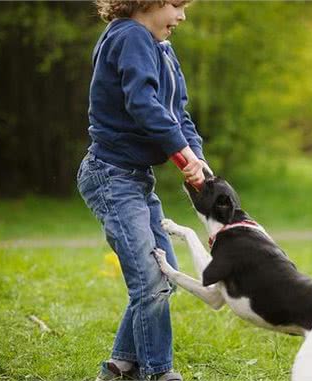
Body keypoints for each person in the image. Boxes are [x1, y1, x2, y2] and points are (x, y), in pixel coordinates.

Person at [77, 1, 209, 380]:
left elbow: (177, 114)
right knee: (150, 280)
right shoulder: (130, 36)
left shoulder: (161, 47)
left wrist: (198, 162)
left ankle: (119, 367)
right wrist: (182, 157)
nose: (182, 16)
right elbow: (143, 104)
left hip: (136, 177)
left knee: (163, 275)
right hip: (112, 175)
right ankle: (158, 372)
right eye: (176, 5)